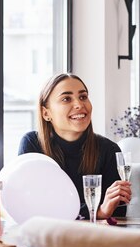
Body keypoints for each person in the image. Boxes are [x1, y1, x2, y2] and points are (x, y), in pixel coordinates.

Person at [18, 73, 131, 220]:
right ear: (46, 113)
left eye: (83, 97)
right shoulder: (32, 144)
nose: (79, 104)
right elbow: (34, 205)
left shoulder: (109, 150)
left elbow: (118, 213)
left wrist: (111, 204)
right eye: (66, 99)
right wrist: (96, 212)